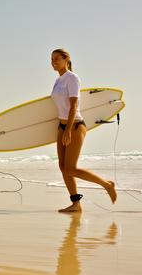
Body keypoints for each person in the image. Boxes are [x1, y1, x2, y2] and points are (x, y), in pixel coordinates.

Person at [50, 48, 117, 212]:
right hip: (62, 126)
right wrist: (62, 129)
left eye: (56, 59)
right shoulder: (58, 81)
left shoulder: (72, 78)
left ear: (67, 59)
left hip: (75, 126)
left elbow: (74, 105)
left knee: (71, 168)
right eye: (51, 60)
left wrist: (68, 130)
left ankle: (107, 185)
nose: (53, 62)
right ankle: (75, 204)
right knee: (63, 167)